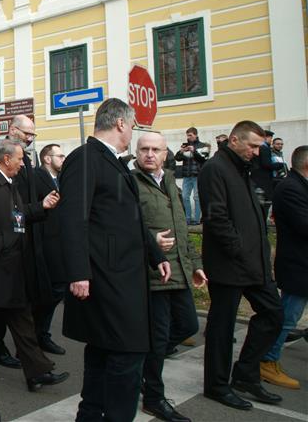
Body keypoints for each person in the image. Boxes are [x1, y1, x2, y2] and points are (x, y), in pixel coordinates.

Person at [57, 98, 171, 422]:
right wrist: (79, 272)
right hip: (107, 277)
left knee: (104, 352)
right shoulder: (85, 158)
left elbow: (129, 218)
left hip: (124, 274)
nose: (133, 130)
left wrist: (155, 254)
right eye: (132, 124)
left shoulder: (115, 161)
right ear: (120, 123)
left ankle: (90, 415)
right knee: (127, 355)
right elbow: (72, 219)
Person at [199, 120, 284, 410]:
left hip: (253, 264)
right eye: (252, 146)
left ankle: (246, 374)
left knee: (274, 313)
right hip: (229, 265)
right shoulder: (215, 169)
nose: (256, 152)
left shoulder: (243, 168)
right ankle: (217, 385)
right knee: (221, 328)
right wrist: (239, 249)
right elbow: (216, 217)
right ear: (234, 140)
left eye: (259, 147)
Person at [0, 139, 69, 392]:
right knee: (13, 319)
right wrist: (2, 248)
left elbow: (17, 215)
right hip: (0, 266)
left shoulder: (9, 182)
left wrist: (42, 206)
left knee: (21, 320)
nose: (22, 164)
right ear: (6, 159)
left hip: (14, 265)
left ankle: (36, 372)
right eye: (19, 159)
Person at [133, 132, 207, 422]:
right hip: (154, 274)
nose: (150, 154)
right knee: (159, 335)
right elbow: (125, 227)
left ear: (166, 154)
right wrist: (151, 241)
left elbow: (181, 226)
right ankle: (154, 397)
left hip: (181, 271)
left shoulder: (171, 182)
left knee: (188, 324)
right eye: (144, 149)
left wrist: (196, 263)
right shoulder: (131, 183)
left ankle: (140, 367)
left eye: (156, 150)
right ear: (137, 153)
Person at [259, 145, 308, 390]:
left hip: (300, 263)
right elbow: (304, 226)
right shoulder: (291, 188)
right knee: (288, 317)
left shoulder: (298, 186)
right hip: (298, 265)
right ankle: (268, 360)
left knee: (289, 315)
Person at [33, 143, 68, 355]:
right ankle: (36, 336)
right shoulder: (38, 176)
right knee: (47, 293)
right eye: (60, 155)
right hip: (44, 243)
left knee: (56, 291)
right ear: (47, 158)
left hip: (60, 242)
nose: (63, 159)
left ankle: (41, 334)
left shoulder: (60, 178)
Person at [175, 127, 210, 225]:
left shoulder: (203, 146)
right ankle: (188, 218)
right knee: (185, 196)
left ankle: (197, 219)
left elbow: (204, 158)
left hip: (198, 175)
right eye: (187, 135)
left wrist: (194, 150)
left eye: (190, 135)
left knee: (197, 197)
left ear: (196, 135)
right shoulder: (185, 146)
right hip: (186, 175)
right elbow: (177, 158)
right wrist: (181, 151)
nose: (188, 137)